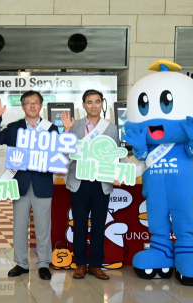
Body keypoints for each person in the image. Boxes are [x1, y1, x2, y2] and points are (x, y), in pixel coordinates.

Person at [0, 91, 57, 280]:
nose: (32, 106)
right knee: (19, 226)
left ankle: (43, 263)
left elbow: (57, 154)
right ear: (23, 106)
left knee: (43, 227)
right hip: (20, 183)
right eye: (28, 102)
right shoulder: (13, 127)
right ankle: (21, 263)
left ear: (41, 105)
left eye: (35, 102)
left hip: (43, 183)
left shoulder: (51, 129)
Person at [61, 89, 121, 280]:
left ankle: (96, 265)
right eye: (89, 102)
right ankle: (80, 265)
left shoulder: (111, 128)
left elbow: (115, 155)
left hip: (101, 183)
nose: (93, 105)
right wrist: (67, 130)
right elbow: (65, 152)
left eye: (97, 101)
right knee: (79, 224)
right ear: (83, 104)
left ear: (103, 103)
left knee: (98, 225)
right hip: (80, 182)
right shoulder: (75, 125)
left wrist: (118, 173)